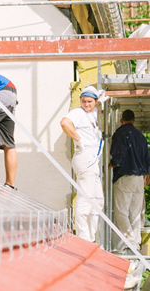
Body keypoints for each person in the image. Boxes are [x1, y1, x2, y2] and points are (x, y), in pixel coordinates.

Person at [60, 85, 104, 243]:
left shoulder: (94, 115)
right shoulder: (78, 113)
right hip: (85, 157)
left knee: (98, 200)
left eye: (90, 101)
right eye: (84, 101)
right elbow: (65, 123)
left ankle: (91, 237)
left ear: (96, 102)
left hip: (93, 160)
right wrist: (78, 140)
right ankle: (83, 238)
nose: (86, 104)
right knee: (86, 199)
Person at [109, 109, 150, 254]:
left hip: (124, 176)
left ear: (121, 120)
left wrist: (110, 165)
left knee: (121, 212)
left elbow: (117, 156)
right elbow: (147, 159)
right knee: (135, 212)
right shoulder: (140, 136)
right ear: (133, 120)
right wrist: (147, 175)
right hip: (139, 178)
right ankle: (136, 243)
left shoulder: (119, 134)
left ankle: (130, 242)